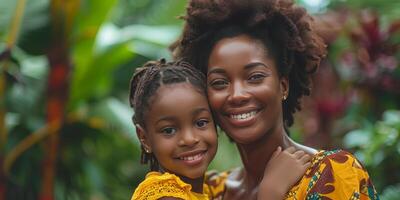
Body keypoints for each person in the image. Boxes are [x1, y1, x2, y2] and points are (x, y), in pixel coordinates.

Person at [171, 0, 379, 199]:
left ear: (283, 86)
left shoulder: (332, 173)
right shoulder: (208, 191)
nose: (237, 95)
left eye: (255, 77)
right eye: (219, 82)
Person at [129, 59, 312, 199]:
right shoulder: (161, 195)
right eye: (169, 130)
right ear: (144, 138)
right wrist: (270, 191)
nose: (190, 139)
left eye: (200, 123)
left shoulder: (206, 189)